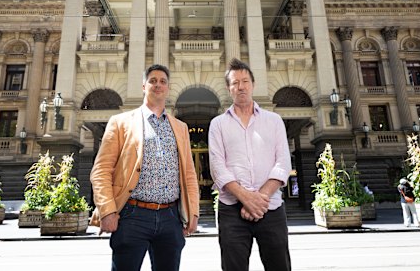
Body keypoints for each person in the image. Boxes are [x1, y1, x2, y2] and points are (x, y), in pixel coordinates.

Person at [90, 64, 200, 271]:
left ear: (168, 88)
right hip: (132, 216)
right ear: (143, 86)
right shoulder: (120, 122)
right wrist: (107, 211)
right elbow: (101, 170)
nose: (158, 85)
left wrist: (193, 211)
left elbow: (189, 174)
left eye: (163, 81)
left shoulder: (181, 127)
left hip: (171, 217)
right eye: (153, 81)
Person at [209, 58, 292, 271]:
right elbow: (218, 168)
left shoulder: (273, 120)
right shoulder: (217, 124)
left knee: (279, 266)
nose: (241, 86)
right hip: (231, 211)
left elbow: (282, 162)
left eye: (245, 81)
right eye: (235, 83)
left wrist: (258, 199)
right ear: (229, 89)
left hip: (270, 207)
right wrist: (246, 198)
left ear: (252, 84)